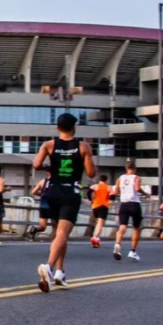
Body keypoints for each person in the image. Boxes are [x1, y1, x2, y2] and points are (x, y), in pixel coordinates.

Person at [33, 113, 97, 292]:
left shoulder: (49, 145)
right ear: (74, 127)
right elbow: (91, 173)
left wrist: (49, 166)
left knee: (59, 233)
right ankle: (49, 267)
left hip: (52, 191)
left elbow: (36, 164)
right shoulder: (83, 146)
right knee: (62, 232)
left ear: (57, 128)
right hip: (70, 192)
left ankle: (60, 272)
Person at [110, 159, 145, 261]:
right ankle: (133, 251)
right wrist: (145, 193)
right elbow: (137, 189)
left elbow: (116, 191)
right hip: (134, 204)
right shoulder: (136, 178)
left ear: (126, 168)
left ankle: (117, 244)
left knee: (122, 227)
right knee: (136, 228)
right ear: (135, 169)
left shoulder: (120, 178)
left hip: (124, 204)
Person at [24, 174, 51, 241]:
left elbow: (33, 191)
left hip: (43, 206)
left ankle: (34, 230)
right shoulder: (57, 182)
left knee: (43, 227)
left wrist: (42, 194)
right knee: (56, 226)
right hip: (53, 206)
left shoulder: (43, 181)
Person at [88, 175, 111, 248]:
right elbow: (112, 196)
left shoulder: (95, 186)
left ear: (99, 180)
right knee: (100, 223)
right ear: (106, 180)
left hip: (95, 206)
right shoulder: (108, 187)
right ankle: (95, 237)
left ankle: (96, 240)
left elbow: (88, 192)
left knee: (98, 223)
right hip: (103, 206)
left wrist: (91, 200)